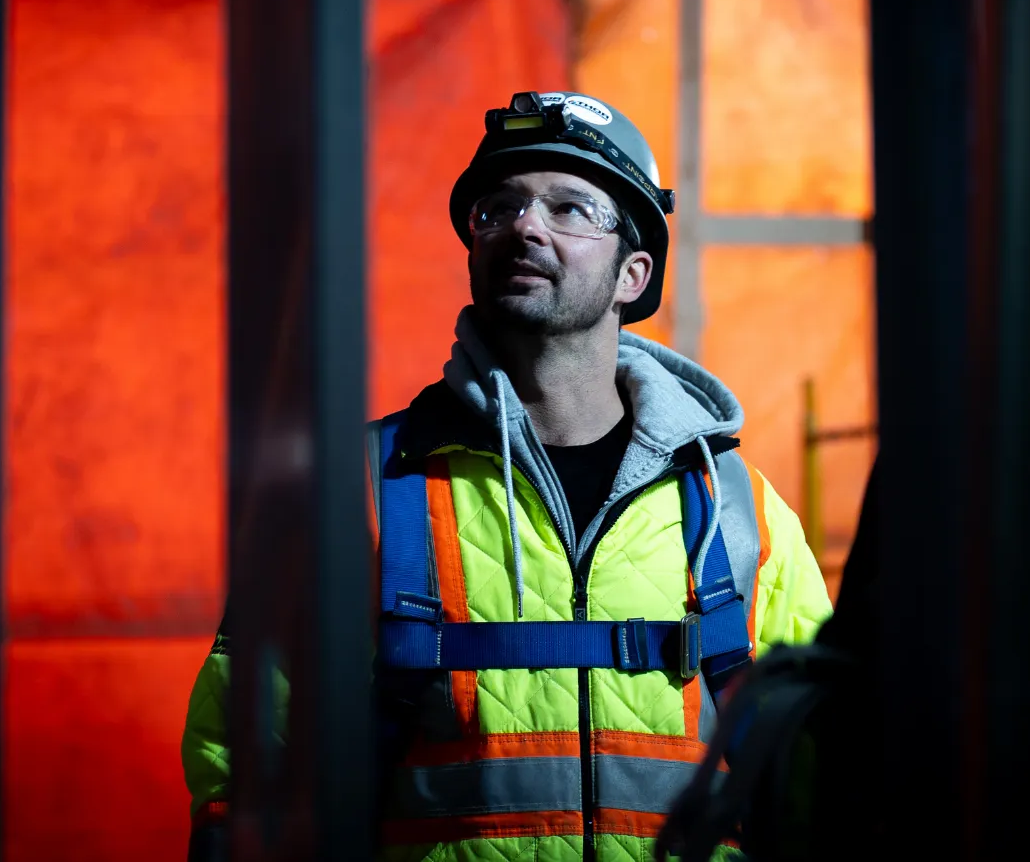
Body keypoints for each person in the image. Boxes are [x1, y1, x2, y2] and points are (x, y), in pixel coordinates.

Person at [181, 91, 834, 861]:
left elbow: (831, 780)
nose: (524, 225)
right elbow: (246, 776)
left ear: (634, 272)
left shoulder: (740, 511)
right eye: (498, 208)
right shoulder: (355, 494)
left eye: (569, 208)